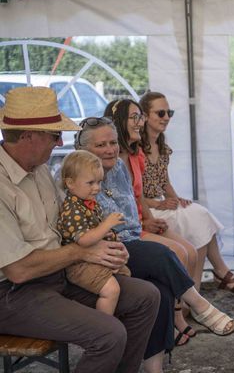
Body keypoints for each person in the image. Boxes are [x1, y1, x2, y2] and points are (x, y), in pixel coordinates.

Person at [0, 86, 160, 373]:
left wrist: (105, 243)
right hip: (13, 294)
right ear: (27, 136)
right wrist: (82, 251)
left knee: (146, 296)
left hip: (56, 276)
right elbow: (18, 270)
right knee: (109, 334)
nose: (60, 141)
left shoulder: (38, 168)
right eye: (54, 135)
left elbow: (70, 224)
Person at [75, 116, 234, 373]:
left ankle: (155, 369)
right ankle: (199, 305)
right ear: (84, 150)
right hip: (101, 250)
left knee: (160, 292)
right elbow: (87, 226)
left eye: (113, 142)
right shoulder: (75, 175)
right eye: (101, 145)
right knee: (162, 254)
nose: (109, 149)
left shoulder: (118, 167)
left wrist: (144, 224)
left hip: (130, 237)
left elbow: (131, 211)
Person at [104, 98, 200, 343]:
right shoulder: (109, 163)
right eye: (135, 117)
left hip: (139, 221)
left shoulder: (135, 156)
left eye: (141, 117)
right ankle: (177, 319)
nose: (140, 122)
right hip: (127, 231)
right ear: (118, 122)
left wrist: (148, 217)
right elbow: (116, 208)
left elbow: (138, 197)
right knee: (178, 253)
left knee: (190, 251)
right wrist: (146, 220)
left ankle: (179, 313)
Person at [140, 91, 234, 293]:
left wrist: (174, 198)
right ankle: (212, 278)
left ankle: (200, 285)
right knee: (199, 219)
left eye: (169, 113)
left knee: (198, 214)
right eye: (161, 113)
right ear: (145, 116)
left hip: (159, 204)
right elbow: (132, 192)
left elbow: (164, 181)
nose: (166, 118)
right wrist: (158, 204)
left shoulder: (162, 146)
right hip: (145, 209)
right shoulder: (135, 148)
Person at [57, 149, 132, 315]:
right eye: (90, 183)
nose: (97, 188)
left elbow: (96, 229)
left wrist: (112, 237)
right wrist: (106, 225)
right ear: (70, 183)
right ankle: (104, 323)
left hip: (94, 258)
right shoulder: (72, 209)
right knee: (111, 290)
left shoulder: (88, 202)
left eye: (99, 182)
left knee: (127, 275)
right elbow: (83, 240)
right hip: (79, 265)